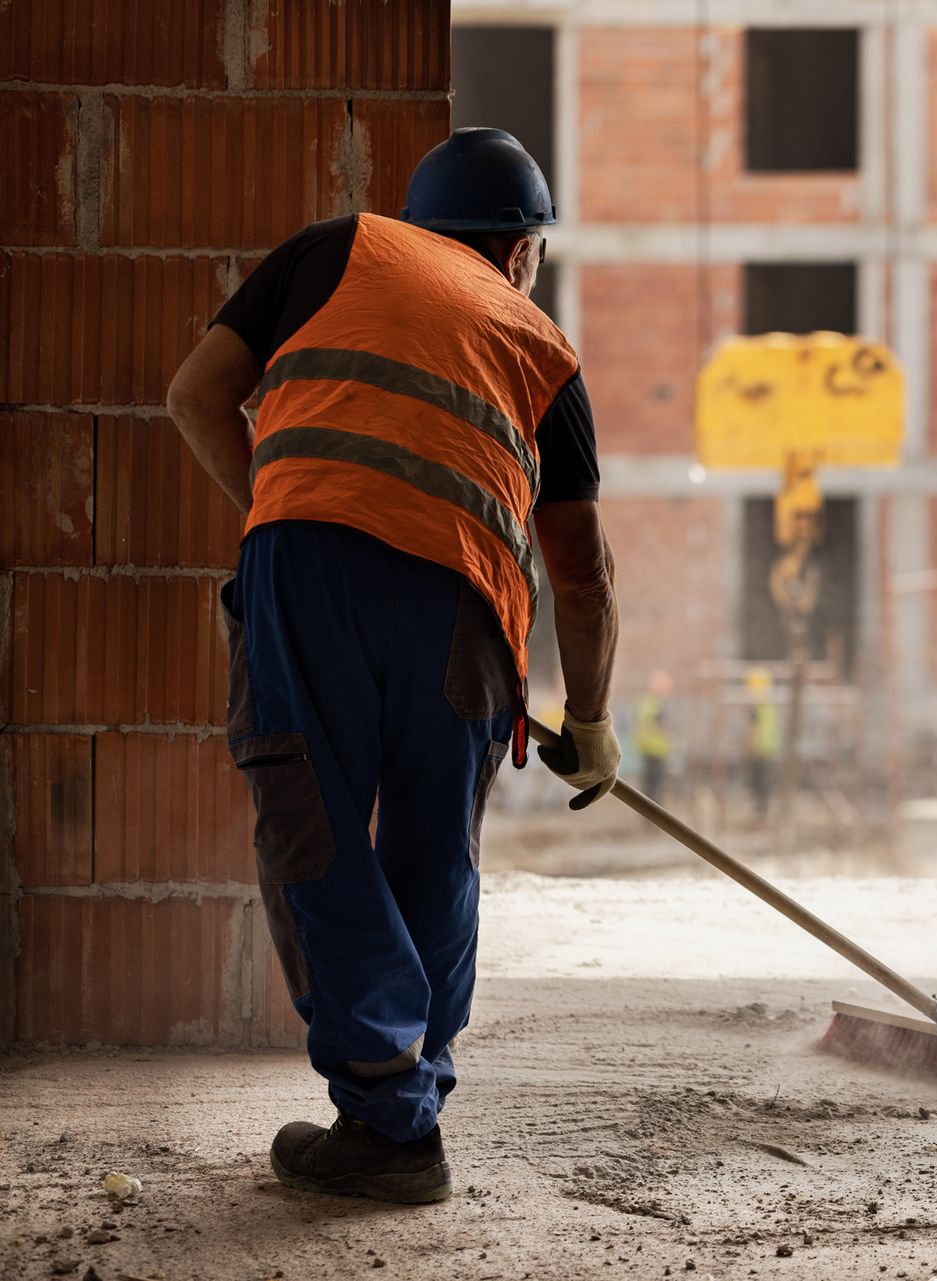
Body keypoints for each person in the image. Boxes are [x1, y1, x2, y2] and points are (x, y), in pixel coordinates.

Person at [165, 128, 622, 1204]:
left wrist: (290, 516)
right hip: (462, 606)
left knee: (313, 823)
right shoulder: (542, 347)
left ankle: (384, 1114)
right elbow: (585, 570)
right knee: (432, 846)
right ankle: (403, 1119)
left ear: (415, 227)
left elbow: (195, 397)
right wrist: (591, 718)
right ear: (520, 251)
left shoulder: (334, 251)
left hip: (308, 571)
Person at [743, 667, 781, 821]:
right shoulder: (769, 704)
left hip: (758, 750)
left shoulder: (757, 705)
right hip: (769, 749)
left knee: (759, 784)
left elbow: (752, 729)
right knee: (764, 785)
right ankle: (762, 812)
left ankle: (760, 813)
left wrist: (747, 746)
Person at [632, 669, 674, 799]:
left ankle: (651, 811)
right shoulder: (650, 702)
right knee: (651, 784)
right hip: (651, 749)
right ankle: (649, 813)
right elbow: (651, 722)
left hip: (657, 749)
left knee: (654, 783)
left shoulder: (653, 702)